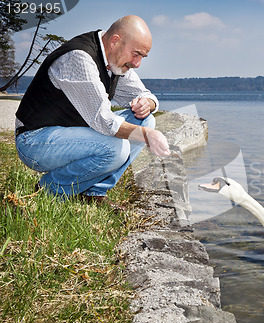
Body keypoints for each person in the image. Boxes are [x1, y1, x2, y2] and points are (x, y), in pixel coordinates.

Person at [14, 15, 170, 208]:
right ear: (115, 41)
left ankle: (93, 191)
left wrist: (148, 103)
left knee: (146, 121)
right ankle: (49, 191)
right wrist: (148, 136)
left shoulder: (115, 61)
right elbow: (104, 121)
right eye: (136, 54)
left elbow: (144, 94)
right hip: (35, 140)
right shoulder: (78, 58)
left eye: (142, 57)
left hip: (71, 134)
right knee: (116, 149)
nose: (137, 64)